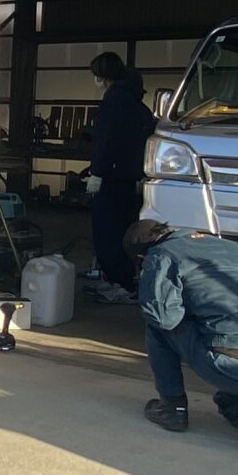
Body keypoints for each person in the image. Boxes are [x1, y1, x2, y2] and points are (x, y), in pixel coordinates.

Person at [128, 217, 238, 454]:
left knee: (156, 324)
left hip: (231, 364)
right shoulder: (234, 248)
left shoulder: (161, 255)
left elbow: (164, 318)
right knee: (228, 402)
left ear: (141, 256)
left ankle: (172, 408)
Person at [82, 52, 154, 301]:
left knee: (107, 231)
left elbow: (106, 140)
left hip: (112, 176)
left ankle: (120, 281)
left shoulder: (114, 101)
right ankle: (124, 279)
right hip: (131, 176)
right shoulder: (136, 102)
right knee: (125, 229)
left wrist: (97, 172)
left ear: (103, 76)